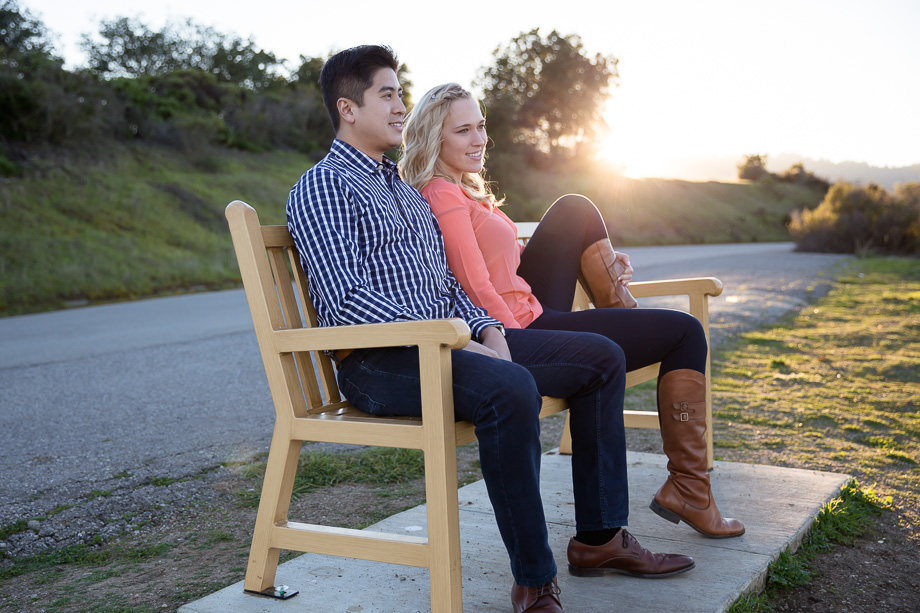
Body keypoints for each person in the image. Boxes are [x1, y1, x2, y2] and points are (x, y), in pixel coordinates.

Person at [287, 46, 694, 613]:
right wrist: (453, 332)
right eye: (387, 94)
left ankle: (600, 538)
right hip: (381, 360)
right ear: (347, 108)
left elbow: (446, 283)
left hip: (447, 343)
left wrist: (487, 329)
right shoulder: (324, 187)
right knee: (511, 389)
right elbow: (345, 300)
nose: (400, 105)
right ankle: (534, 580)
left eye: (401, 93)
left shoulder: (402, 191)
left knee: (602, 358)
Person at [399, 82, 745, 540]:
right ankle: (691, 489)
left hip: (530, 308)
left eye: (481, 126)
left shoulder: (465, 190)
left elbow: (505, 267)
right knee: (684, 333)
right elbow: (472, 281)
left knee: (575, 209)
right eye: (463, 131)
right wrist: (506, 335)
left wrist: (602, 265)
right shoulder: (442, 194)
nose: (479, 139)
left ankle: (619, 303)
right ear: (433, 138)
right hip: (516, 329)